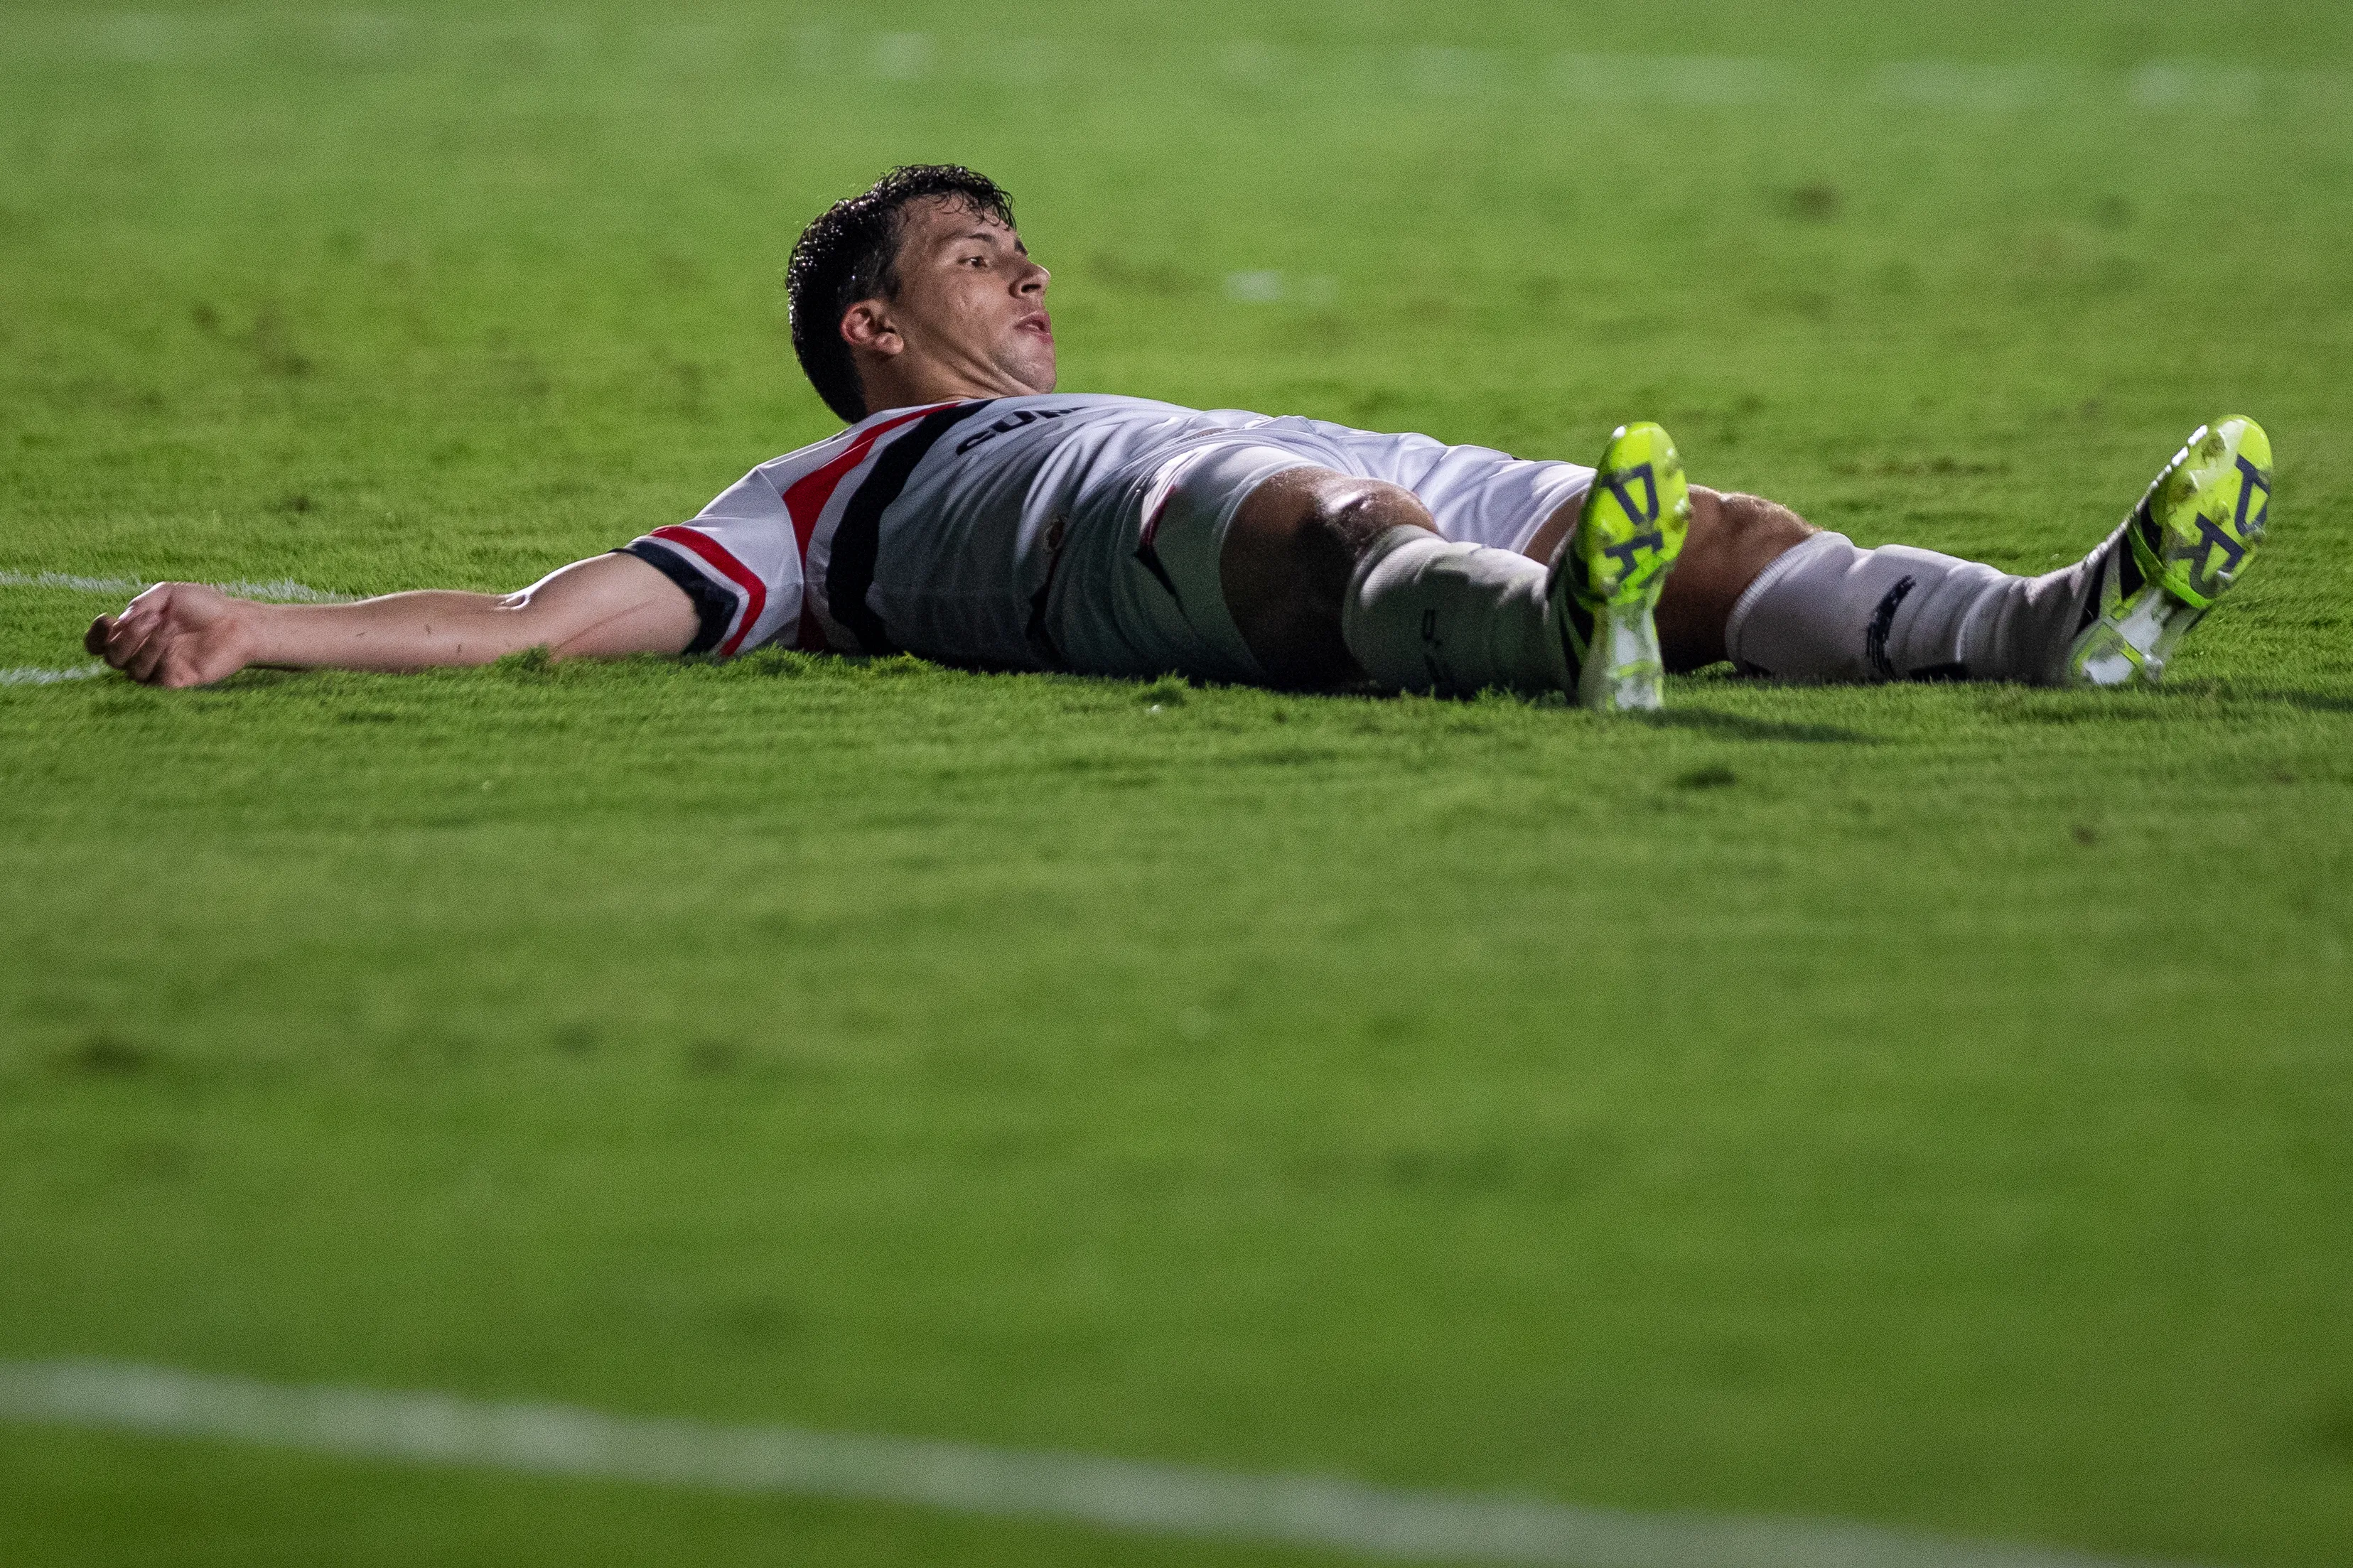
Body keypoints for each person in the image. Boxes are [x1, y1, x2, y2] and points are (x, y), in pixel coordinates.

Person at [87, 164, 2273, 708]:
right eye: (974, 256)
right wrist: (269, 632)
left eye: (1026, 244)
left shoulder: (1098, 375)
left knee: (1713, 527)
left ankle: (2046, 630)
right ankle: (1541, 636)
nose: (1023, 273)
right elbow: (552, 624)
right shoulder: (827, 494)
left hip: (1267, 447)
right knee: (1317, 520)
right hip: (1110, 527)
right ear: (873, 327)